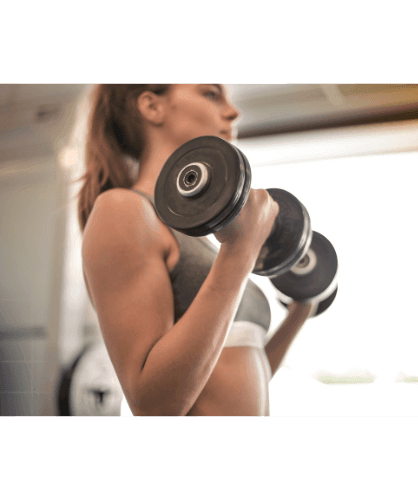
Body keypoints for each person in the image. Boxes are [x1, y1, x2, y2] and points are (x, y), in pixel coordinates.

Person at [79, 83, 314, 416]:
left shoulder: (206, 238)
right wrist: (241, 250)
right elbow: (154, 407)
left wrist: (301, 309)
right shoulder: (124, 210)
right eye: (211, 93)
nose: (233, 111)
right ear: (152, 106)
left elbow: (239, 370)